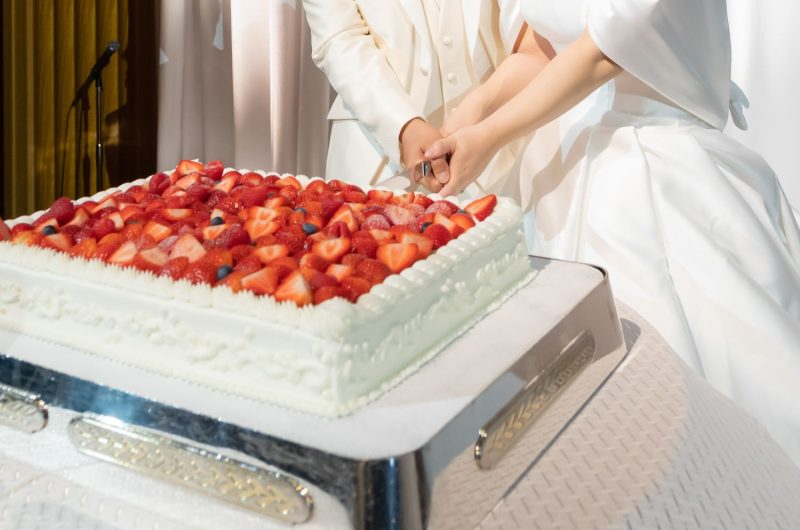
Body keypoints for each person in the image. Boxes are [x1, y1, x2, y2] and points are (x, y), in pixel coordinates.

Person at [423, 0, 800, 465]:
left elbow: (604, 53)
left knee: (671, 404)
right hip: (554, 178)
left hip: (649, 173)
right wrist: (468, 116)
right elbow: (546, 51)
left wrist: (487, 138)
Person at [301, 0, 526, 191]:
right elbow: (338, 39)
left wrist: (485, 127)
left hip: (504, 154)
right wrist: (405, 126)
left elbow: (531, 38)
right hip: (376, 160)